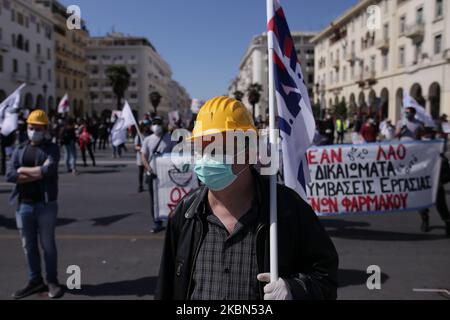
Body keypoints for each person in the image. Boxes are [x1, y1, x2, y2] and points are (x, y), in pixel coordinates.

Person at [156, 97, 338, 300]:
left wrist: (294, 290)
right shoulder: (185, 214)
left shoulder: (287, 210)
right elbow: (167, 288)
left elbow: (326, 279)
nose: (207, 159)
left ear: (249, 151)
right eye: (201, 149)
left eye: (218, 149)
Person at [6, 109, 64, 299]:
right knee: (28, 246)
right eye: (32, 127)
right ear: (27, 127)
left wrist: (23, 170)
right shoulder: (20, 148)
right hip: (24, 205)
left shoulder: (52, 148)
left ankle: (52, 281)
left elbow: (48, 171)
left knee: (48, 245)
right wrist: (35, 172)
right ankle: (35, 280)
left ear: (45, 129)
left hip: (45, 205)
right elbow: (10, 175)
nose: (35, 130)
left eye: (39, 128)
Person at [141, 116, 174, 233]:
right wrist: (149, 169)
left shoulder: (169, 138)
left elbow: (176, 154)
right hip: (153, 175)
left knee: (168, 197)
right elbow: (143, 156)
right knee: (154, 200)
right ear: (151, 125)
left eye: (159, 123)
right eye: (154, 123)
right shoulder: (148, 140)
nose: (156, 125)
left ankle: (171, 221)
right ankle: (157, 222)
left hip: (167, 175)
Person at [135, 120, 151, 193]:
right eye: (144, 127)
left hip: (148, 157)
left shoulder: (148, 135)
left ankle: (149, 184)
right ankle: (140, 186)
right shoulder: (138, 136)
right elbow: (136, 147)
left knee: (149, 171)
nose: (146, 128)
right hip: (141, 157)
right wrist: (142, 148)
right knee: (141, 172)